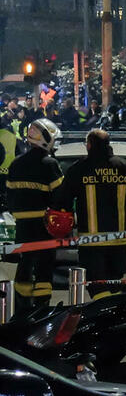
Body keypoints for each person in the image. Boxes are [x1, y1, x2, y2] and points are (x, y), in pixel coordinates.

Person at [51, 129, 126, 299]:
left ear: (89, 145)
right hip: (119, 242)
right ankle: (113, 314)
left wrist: (64, 230)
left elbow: (63, 202)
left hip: (91, 243)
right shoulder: (124, 168)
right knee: (113, 282)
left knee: (96, 284)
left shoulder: (79, 169)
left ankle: (105, 313)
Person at [7, 119, 63, 313]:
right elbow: (60, 197)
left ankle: (22, 309)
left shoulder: (16, 164)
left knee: (25, 264)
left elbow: (9, 196)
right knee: (44, 268)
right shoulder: (49, 164)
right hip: (44, 226)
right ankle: (41, 310)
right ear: (46, 139)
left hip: (22, 226)